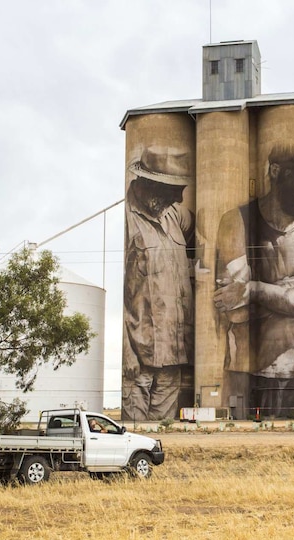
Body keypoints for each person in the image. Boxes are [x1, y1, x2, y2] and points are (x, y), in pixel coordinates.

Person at [214, 144, 294, 418]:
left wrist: (255, 288)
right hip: (250, 372)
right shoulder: (237, 222)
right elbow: (236, 310)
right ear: (276, 171)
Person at [122, 145, 195, 422]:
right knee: (133, 434)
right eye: (172, 190)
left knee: (161, 437)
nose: (178, 197)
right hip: (139, 358)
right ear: (150, 184)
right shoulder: (128, 221)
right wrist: (127, 353)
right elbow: (123, 293)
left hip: (173, 353)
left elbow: (204, 225)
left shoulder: (172, 214)